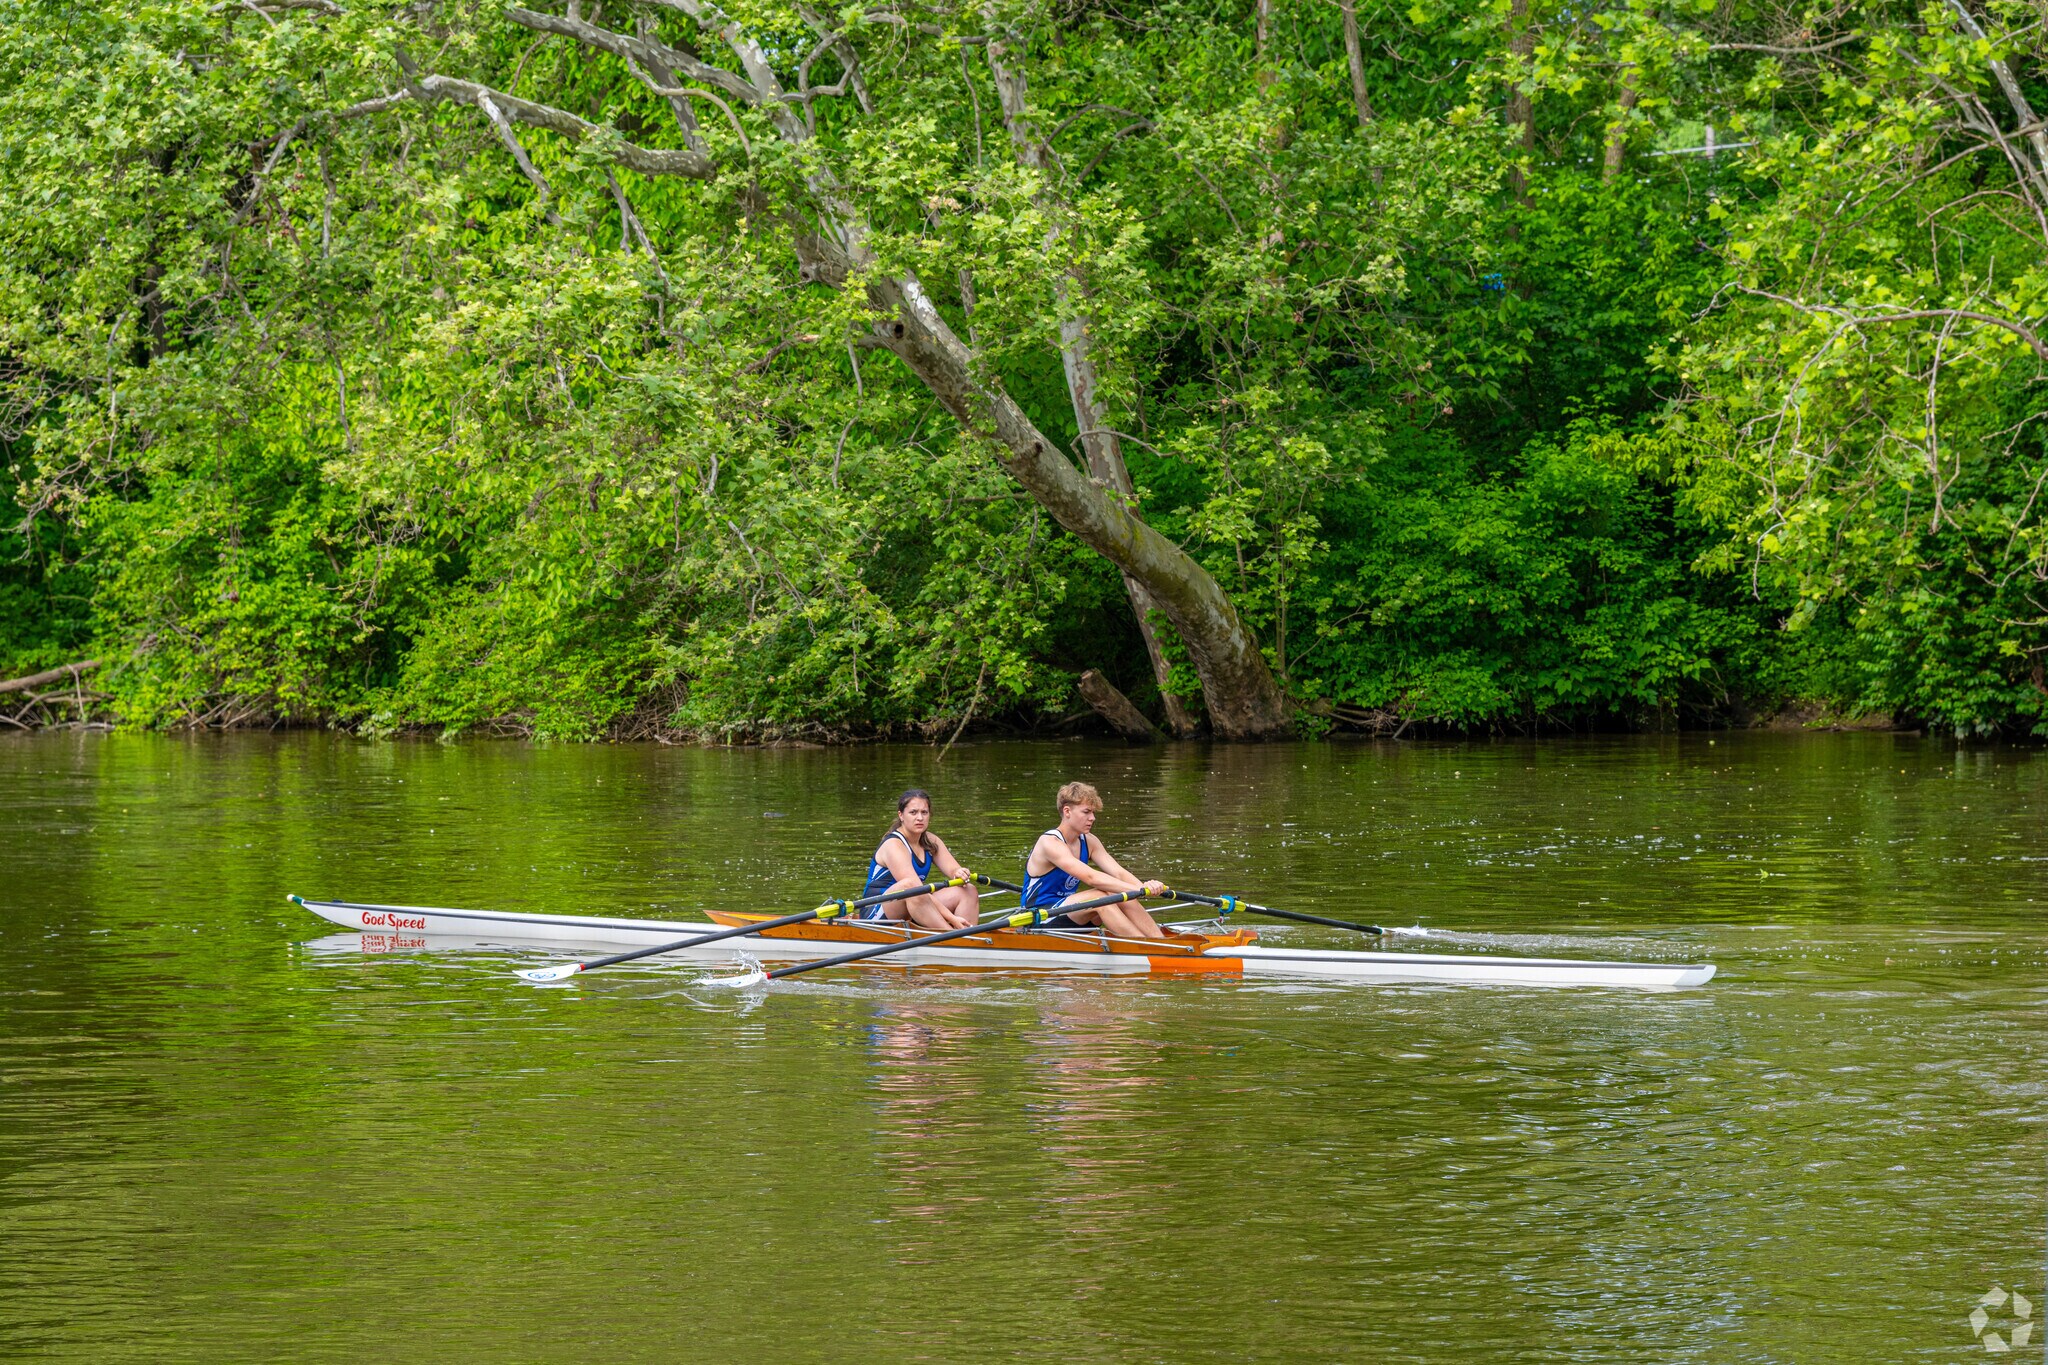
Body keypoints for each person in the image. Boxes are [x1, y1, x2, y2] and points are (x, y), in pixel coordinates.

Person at [1021, 781, 1169, 939]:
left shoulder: (1089, 841)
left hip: (1069, 913)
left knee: (1115, 891)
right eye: (1086, 812)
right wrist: (1137, 891)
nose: (1092, 818)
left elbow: (1118, 872)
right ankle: (1144, 947)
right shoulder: (1050, 843)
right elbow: (1092, 878)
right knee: (1099, 896)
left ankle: (1160, 941)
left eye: (1093, 813)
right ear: (1067, 811)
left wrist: (1144, 887)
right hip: (1039, 916)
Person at [862, 789, 981, 930]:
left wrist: (960, 872)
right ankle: (954, 937)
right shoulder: (893, 844)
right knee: (910, 885)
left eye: (924, 812)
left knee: (968, 890)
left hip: (914, 902)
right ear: (901, 815)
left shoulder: (931, 841)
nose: (920, 818)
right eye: (913, 812)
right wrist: (952, 918)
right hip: (877, 911)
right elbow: (915, 887)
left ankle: (968, 934)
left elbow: (953, 870)